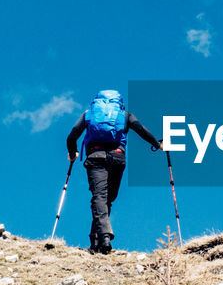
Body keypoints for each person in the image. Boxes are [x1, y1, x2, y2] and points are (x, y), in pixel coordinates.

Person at [65, 90, 162, 254]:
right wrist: (157, 144)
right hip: (117, 157)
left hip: (96, 156)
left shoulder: (89, 114)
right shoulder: (125, 115)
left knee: (99, 197)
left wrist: (73, 152)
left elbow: (72, 135)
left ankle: (102, 237)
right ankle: (99, 239)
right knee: (107, 199)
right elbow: (141, 130)